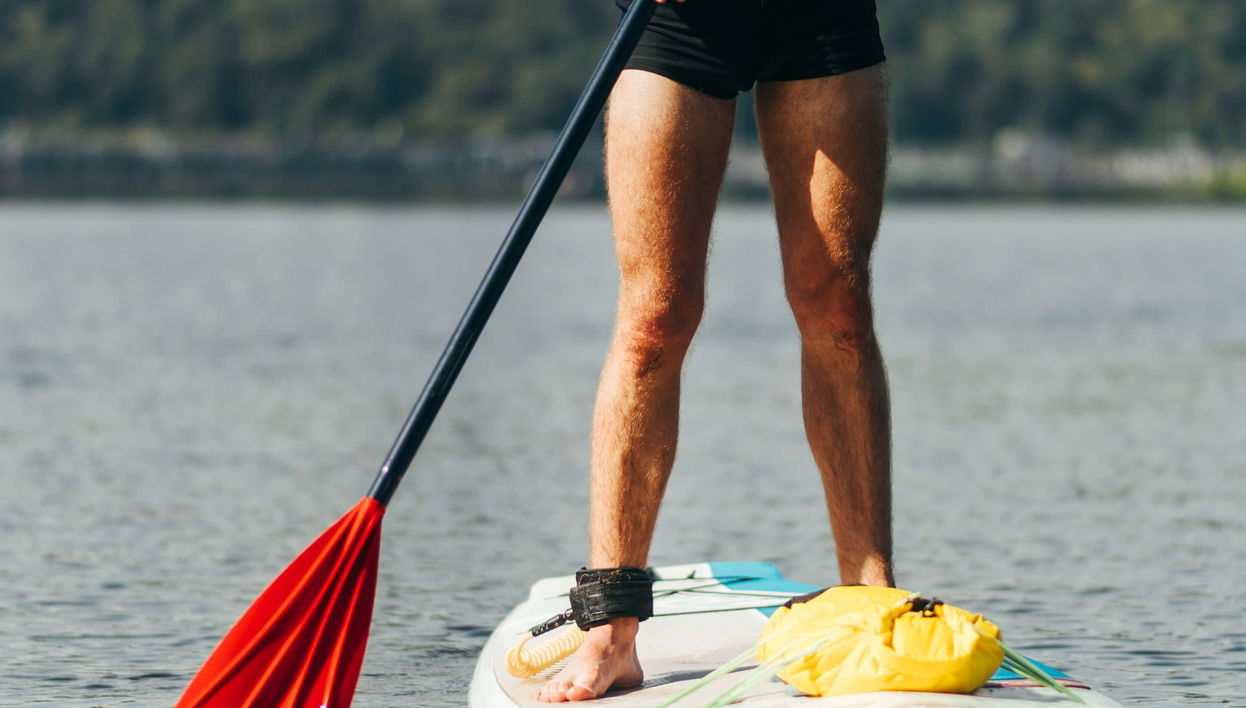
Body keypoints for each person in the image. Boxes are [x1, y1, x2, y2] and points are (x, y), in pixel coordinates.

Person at [537, 0, 894, 701]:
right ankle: (610, 628)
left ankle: (870, 598)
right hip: (680, 24)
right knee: (654, 320)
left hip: (822, 18)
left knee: (840, 311)